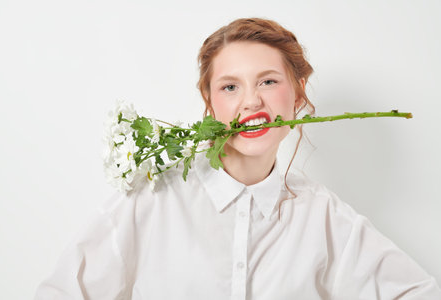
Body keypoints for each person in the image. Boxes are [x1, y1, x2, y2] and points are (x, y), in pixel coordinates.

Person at [34, 17, 441, 299]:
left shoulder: (325, 219)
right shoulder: (151, 200)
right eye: (230, 87)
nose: (251, 102)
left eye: (268, 81)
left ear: (297, 94)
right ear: (209, 102)